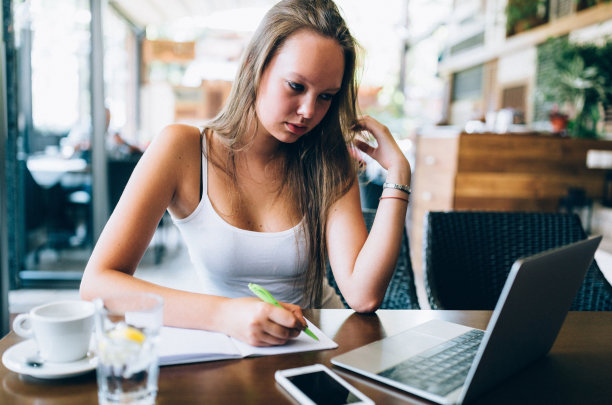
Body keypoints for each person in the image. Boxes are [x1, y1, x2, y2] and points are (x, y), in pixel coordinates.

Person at [80, 0, 411, 347]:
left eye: (326, 96)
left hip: (317, 350)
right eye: (296, 87)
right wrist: (224, 315)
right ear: (255, 65)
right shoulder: (182, 149)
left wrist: (398, 174)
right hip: (232, 351)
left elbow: (363, 295)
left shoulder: (328, 161)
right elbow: (97, 284)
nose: (309, 111)